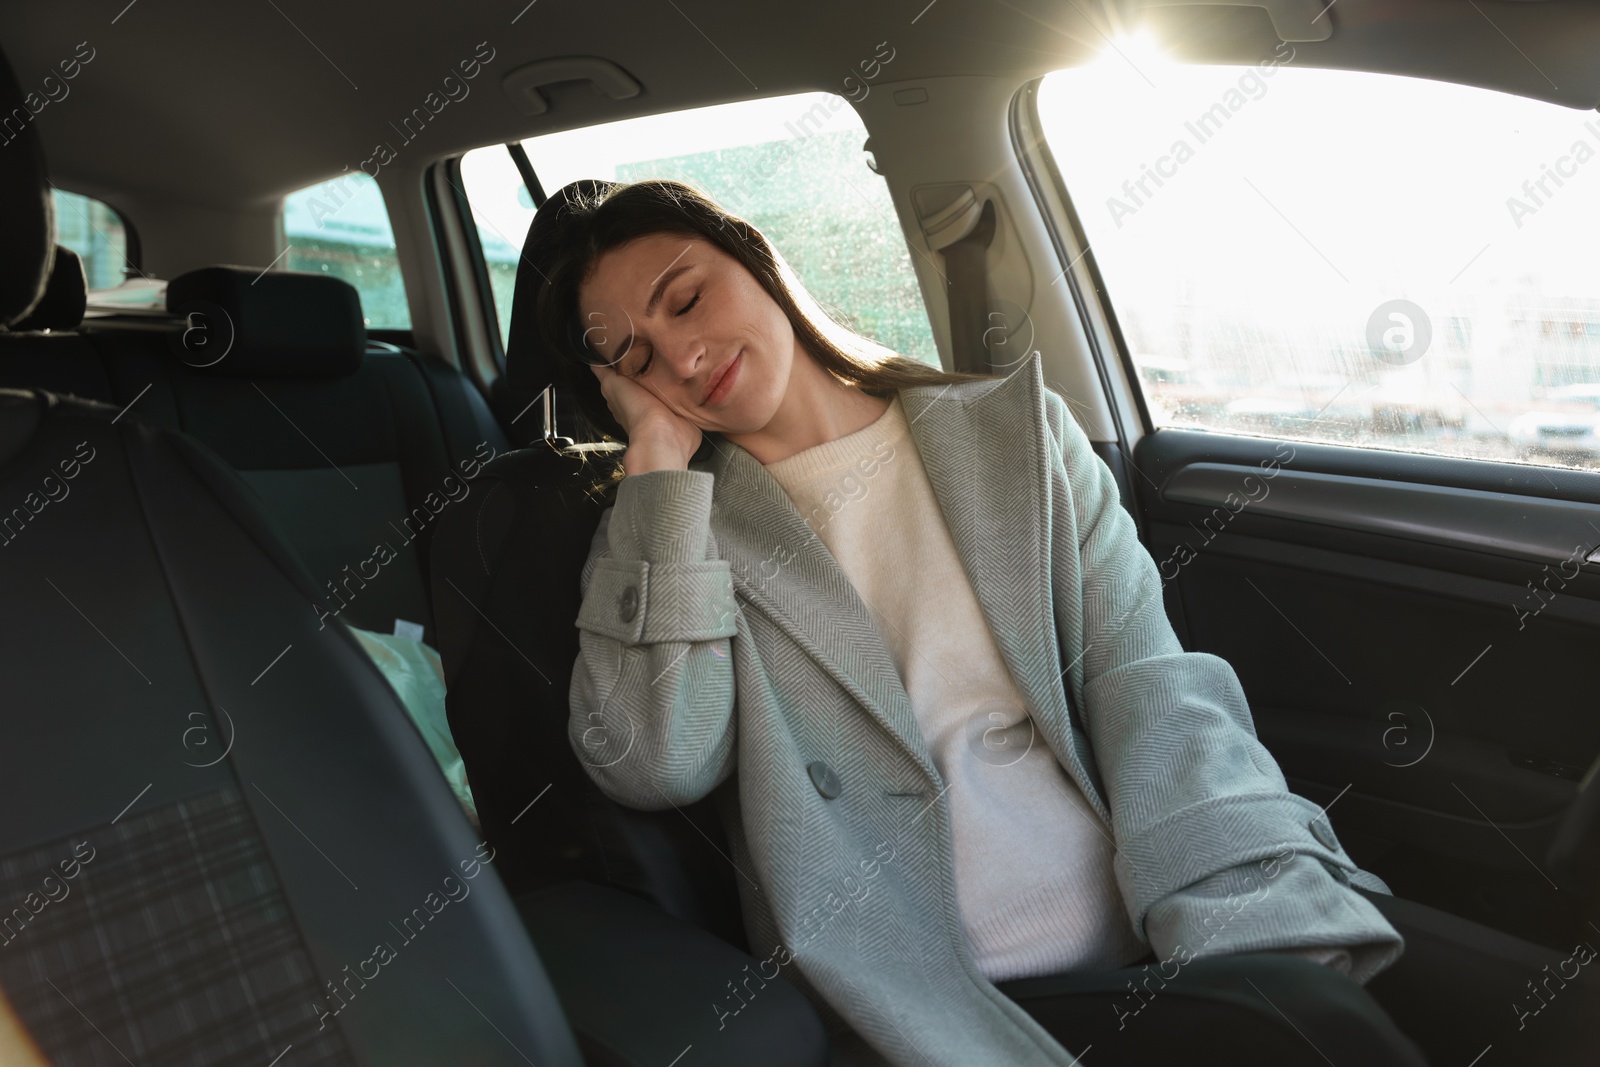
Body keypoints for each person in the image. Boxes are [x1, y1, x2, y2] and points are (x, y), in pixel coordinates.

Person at [529, 177, 1598, 1066]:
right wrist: (660, 476)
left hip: (1158, 904)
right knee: (1307, 1032)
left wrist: (1236, 925)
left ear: (755, 264)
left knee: (1553, 1011)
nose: (674, 355)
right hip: (943, 981)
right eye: (625, 355)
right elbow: (654, 760)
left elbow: (1145, 682)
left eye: (685, 298)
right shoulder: (674, 539)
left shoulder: (1013, 435)